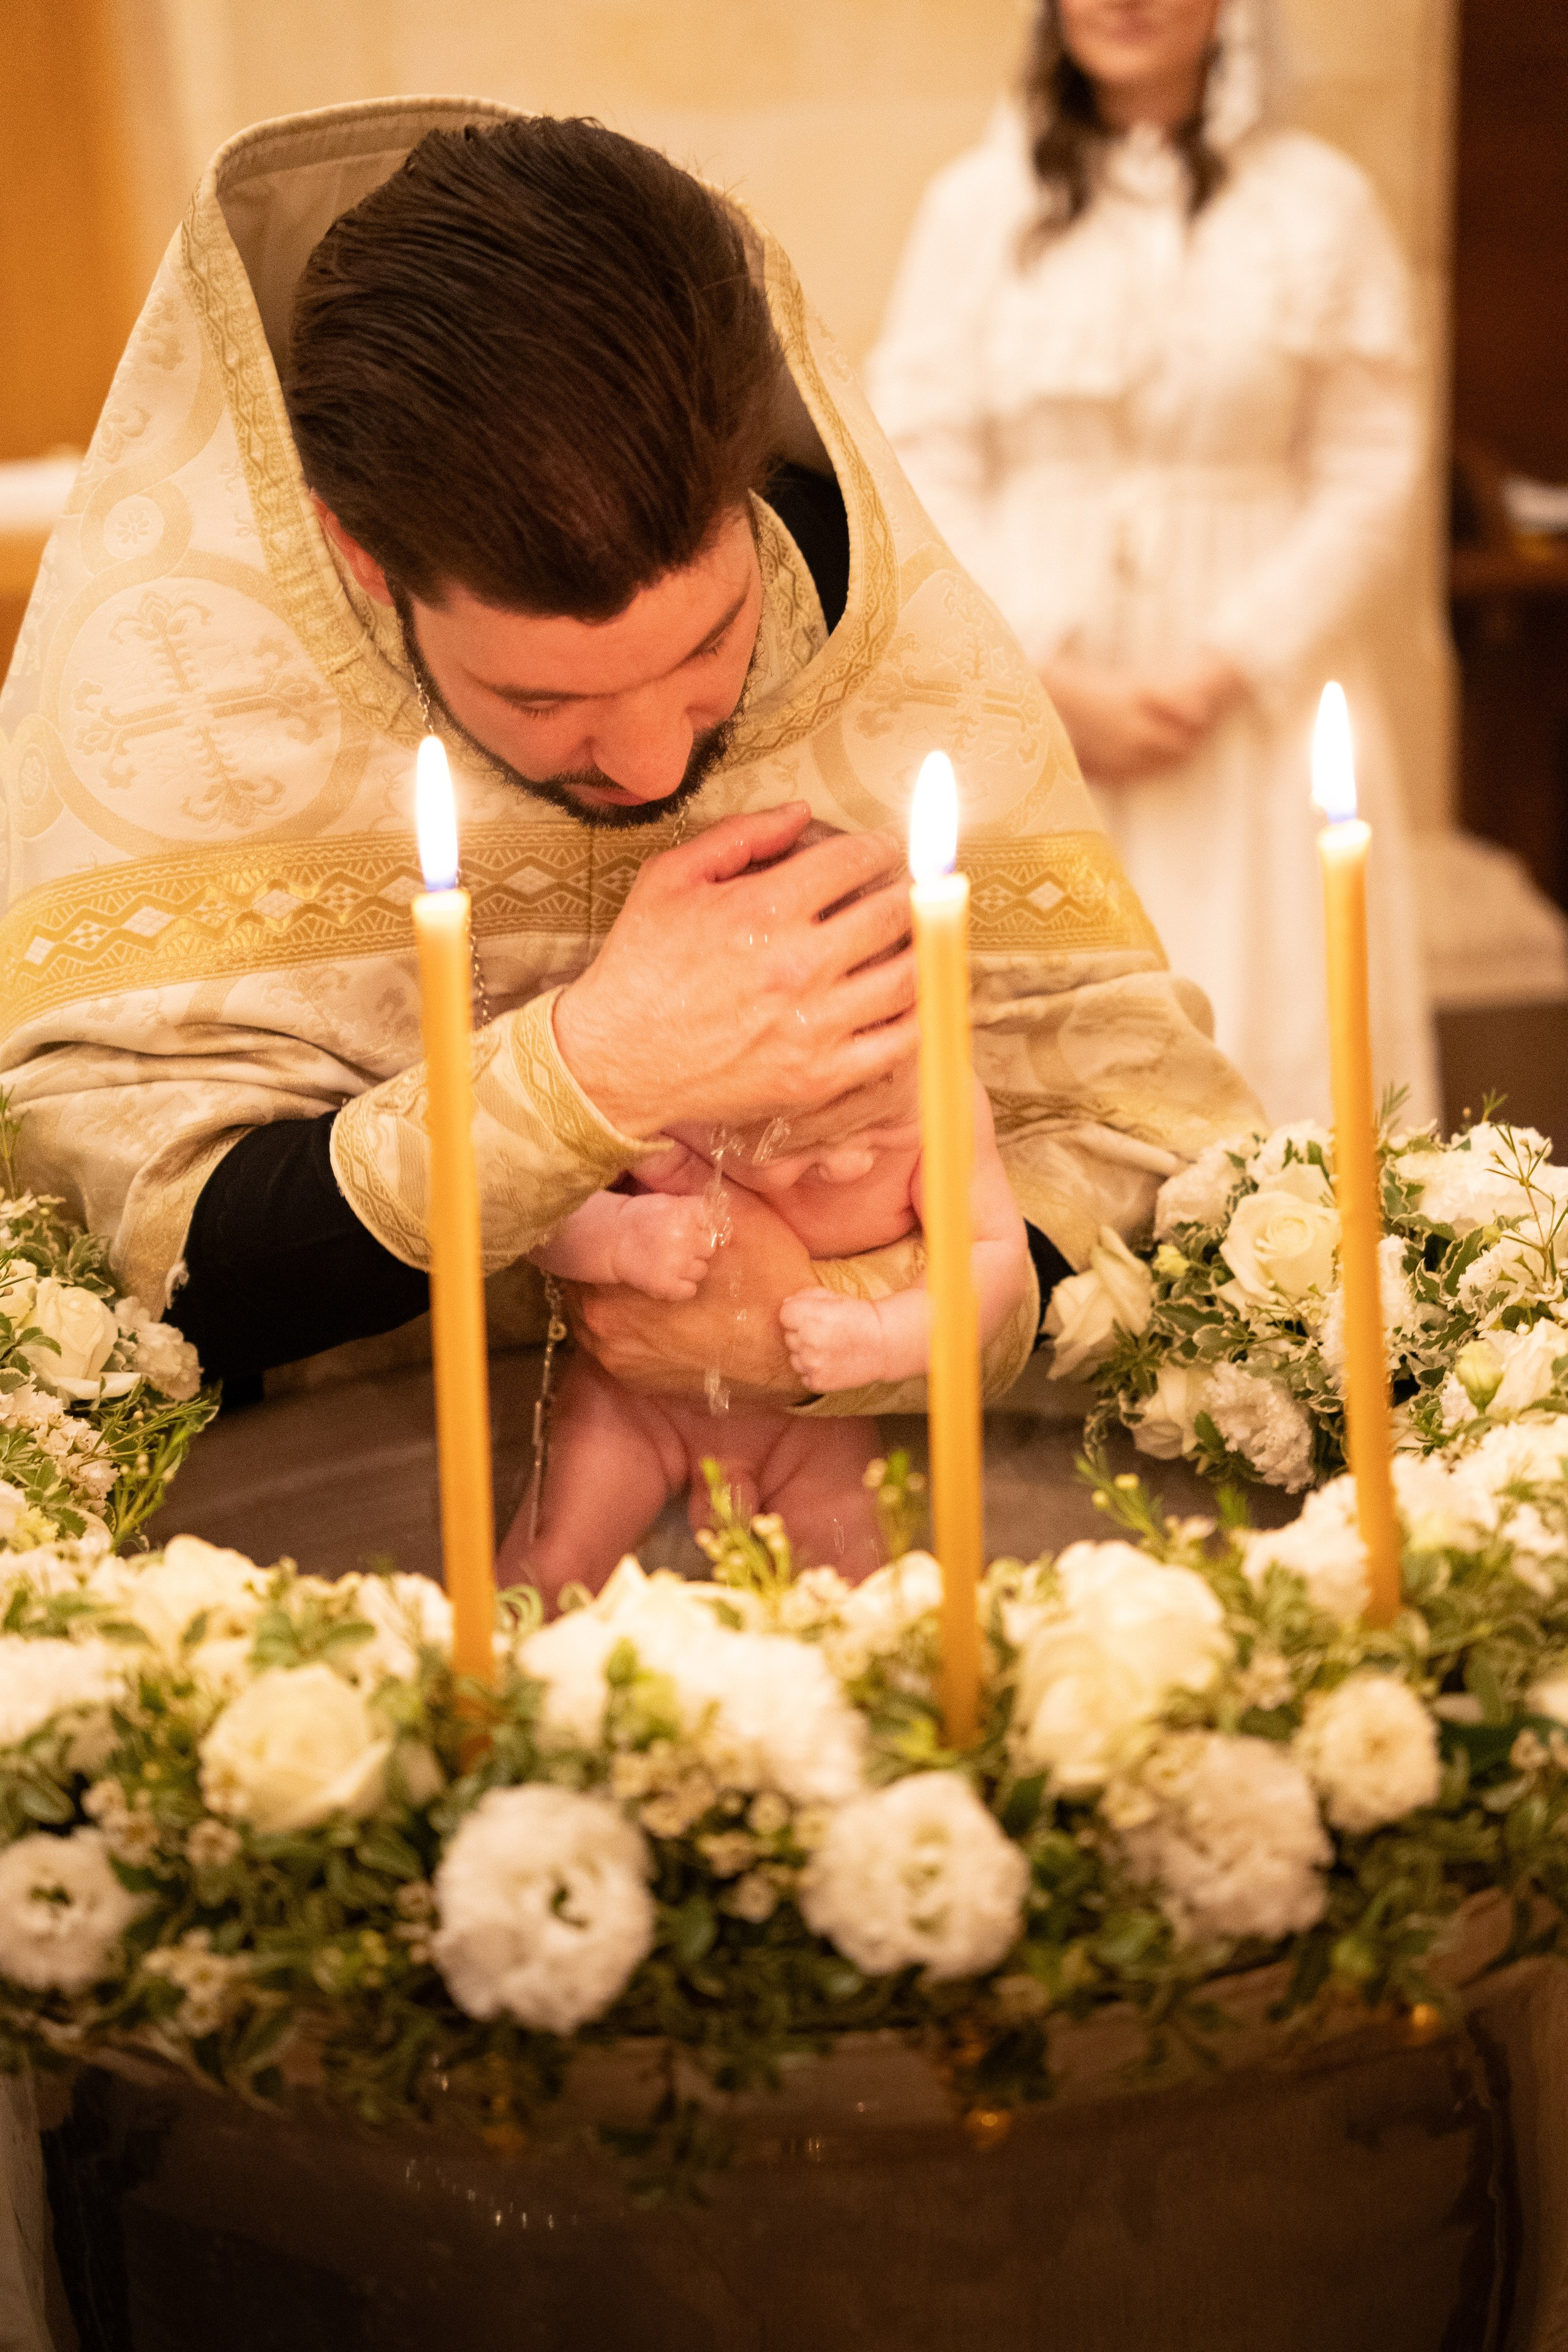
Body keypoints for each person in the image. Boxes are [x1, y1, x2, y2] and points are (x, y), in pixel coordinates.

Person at [0, 101, 1258, 1438]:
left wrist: (828, 1320)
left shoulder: (863, 624)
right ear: (361, 554)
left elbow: (1144, 1170)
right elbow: (96, 1263)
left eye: (713, 641)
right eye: (545, 696)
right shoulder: (187, 692)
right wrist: (589, 1073)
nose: (657, 762)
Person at [868, 0, 1439, 1128]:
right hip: (1031, 697)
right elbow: (917, 447)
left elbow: (1373, 461)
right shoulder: (976, 208)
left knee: (1279, 1013)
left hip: (1253, 707)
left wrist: (1225, 664)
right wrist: (1049, 674)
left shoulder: (1319, 204)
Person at [504, 1065, 1030, 1602]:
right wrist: (617, 1235)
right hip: (633, 1403)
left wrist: (882, 1336)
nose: (854, 1162)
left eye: (883, 1122)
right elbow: (530, 1210)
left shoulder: (941, 1098)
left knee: (865, 1590)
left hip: (813, 1422)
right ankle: (495, 1670)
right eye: (799, 1135)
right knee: (551, 1568)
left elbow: (992, 1253)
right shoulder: (656, 1080)